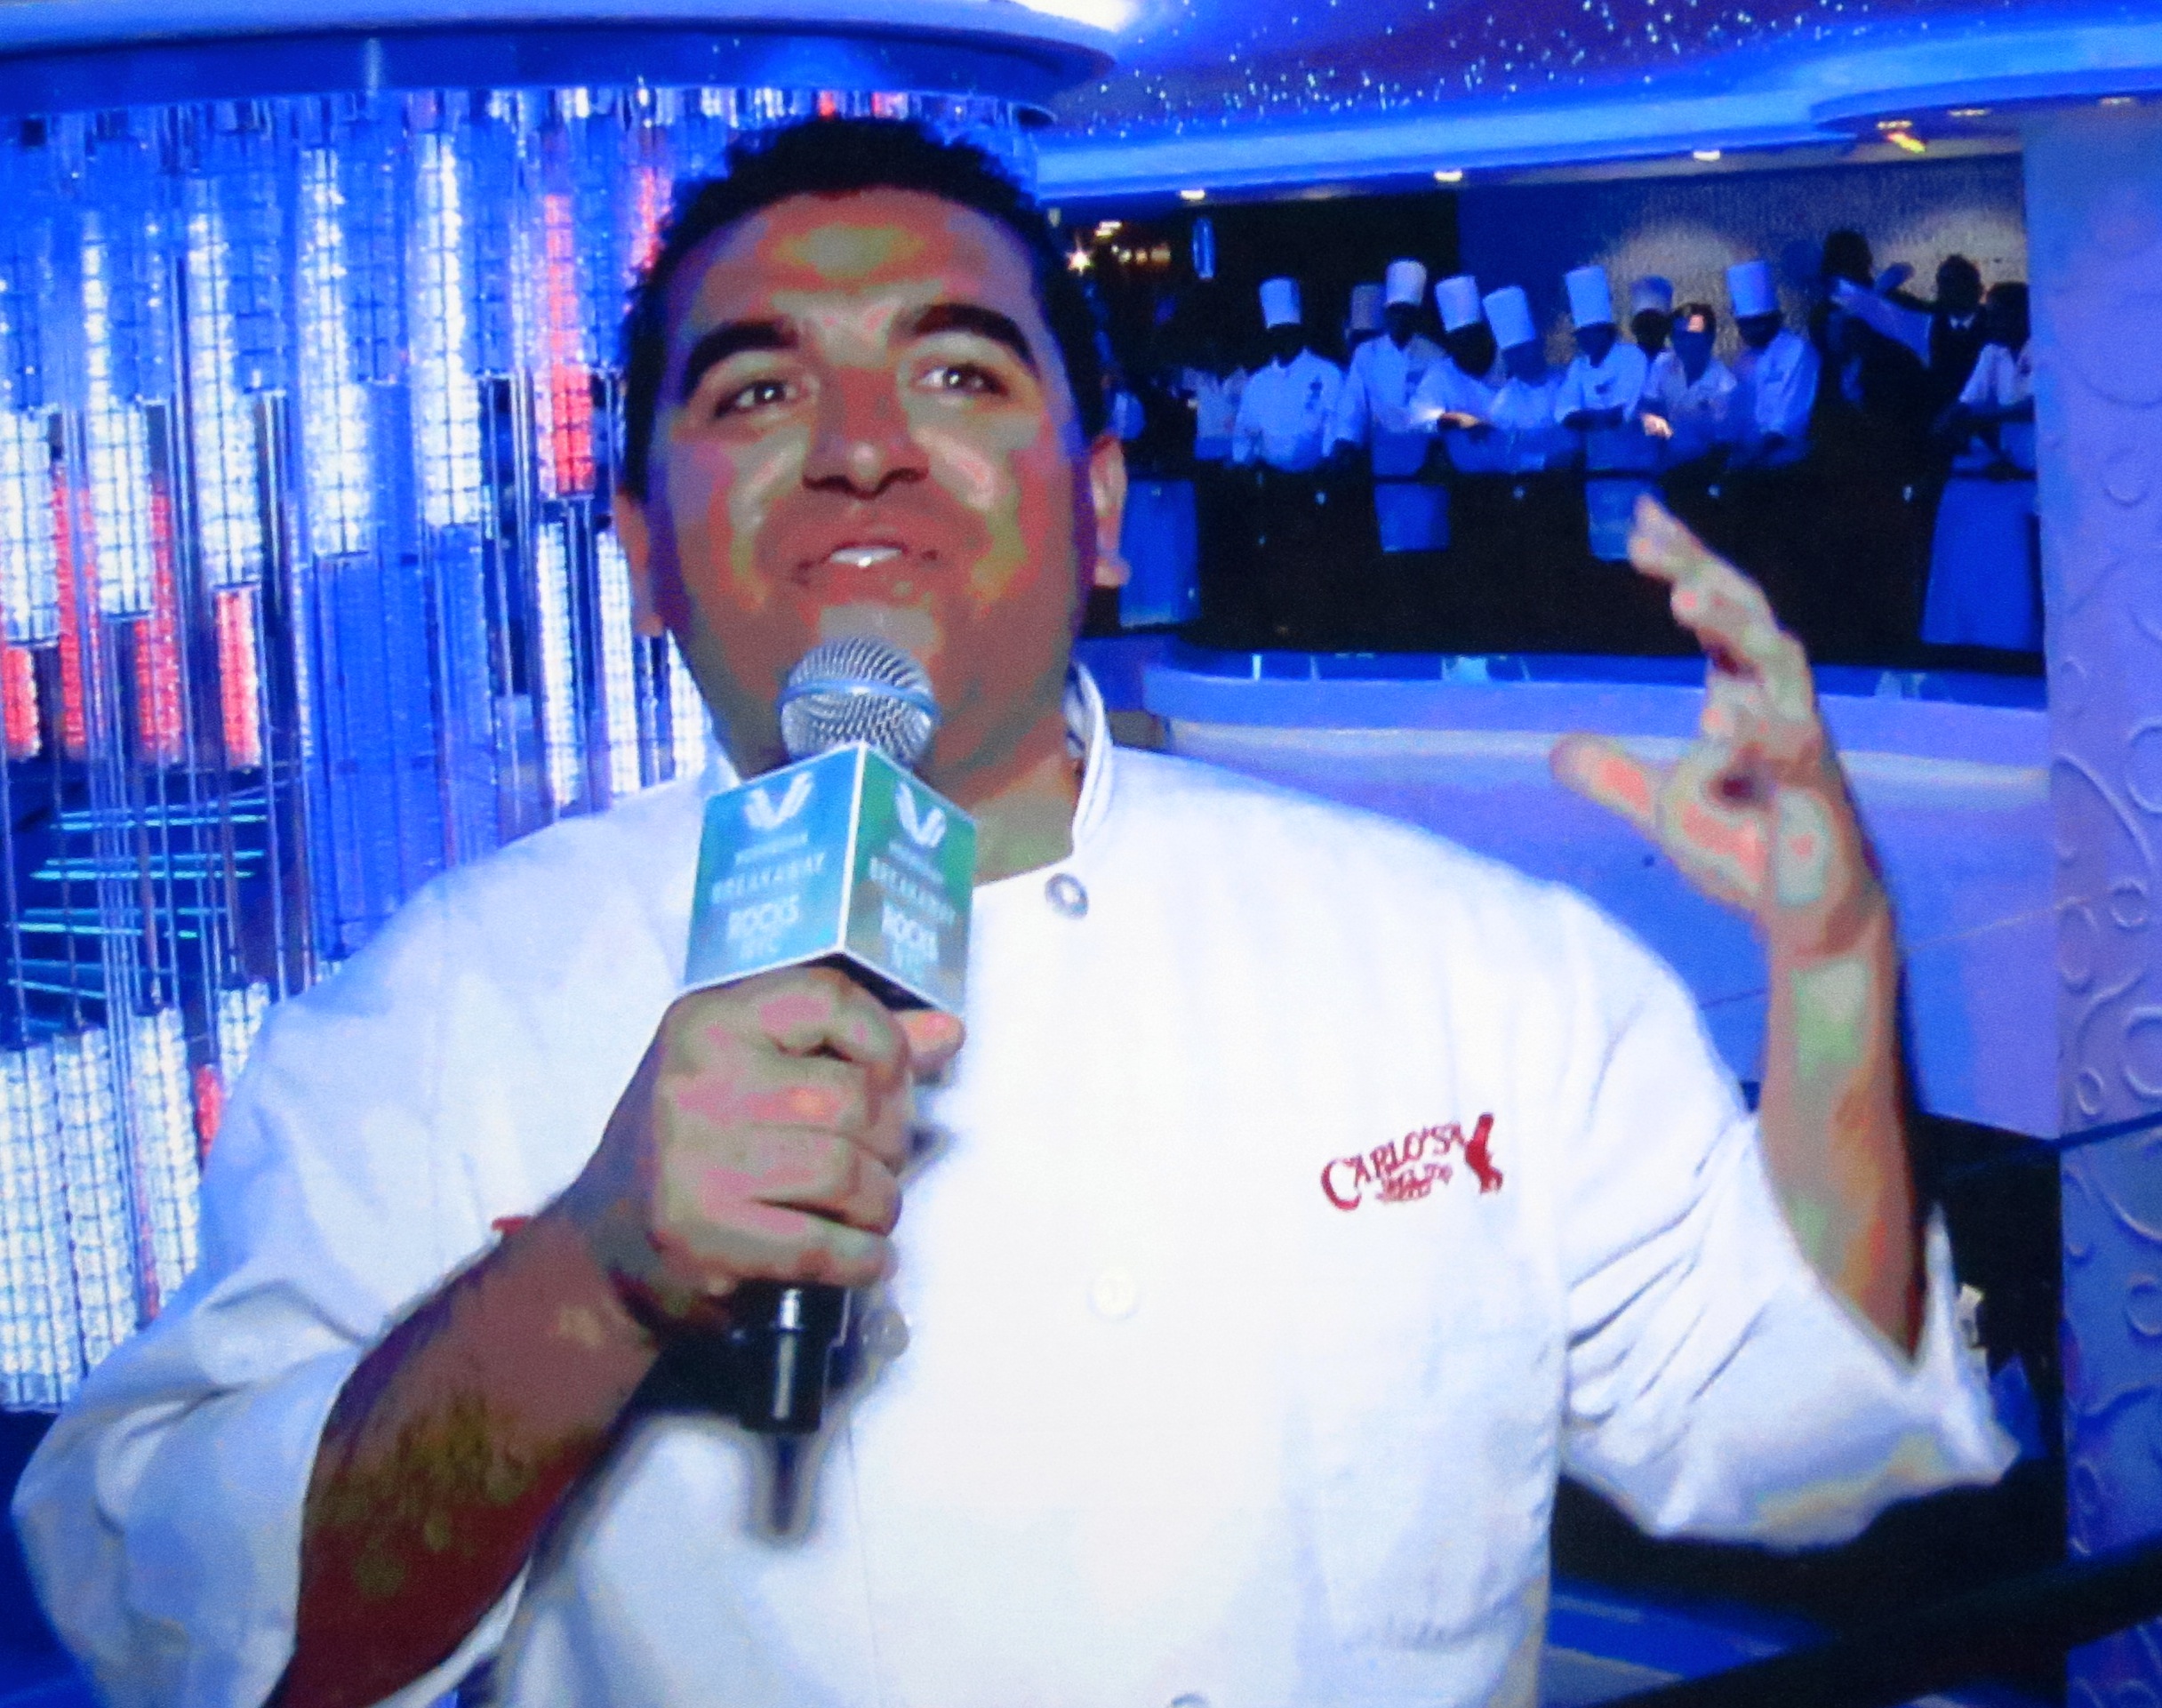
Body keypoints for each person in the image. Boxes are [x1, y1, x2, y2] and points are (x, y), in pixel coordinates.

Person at [18, 116, 2009, 1708]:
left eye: (957, 370)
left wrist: (1839, 976)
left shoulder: (1470, 963)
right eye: (755, 390)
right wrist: (590, 1281)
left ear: (1102, 503)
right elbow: (189, 1629)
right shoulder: (438, 1013)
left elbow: (1813, 1434)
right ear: (638, 551)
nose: (859, 445)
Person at [1922, 282, 2040, 651]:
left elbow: (2036, 407)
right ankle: (1966, 633)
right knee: (1960, 513)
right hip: (2005, 469)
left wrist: (1984, 418)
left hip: (2041, 477)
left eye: (2000, 315)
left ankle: (2022, 637)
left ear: (2023, 315)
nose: (1992, 323)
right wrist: (1944, 423)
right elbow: (1968, 401)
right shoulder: (1992, 353)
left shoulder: (2048, 348)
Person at [1233, 276, 1347, 640]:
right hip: (1272, 487)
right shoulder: (1258, 382)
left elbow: (1335, 426)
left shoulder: (1327, 374)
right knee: (1276, 557)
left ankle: (1319, 623)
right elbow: (1245, 435)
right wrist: (1244, 462)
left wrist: (1328, 460)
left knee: (1314, 556)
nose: (1282, 339)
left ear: (1299, 331)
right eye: (1276, 333)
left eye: (1288, 332)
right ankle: (1280, 622)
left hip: (1316, 483)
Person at [1329, 258, 1446, 555]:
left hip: (1425, 465)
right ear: (1386, 313)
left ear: (1417, 315)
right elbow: (1353, 406)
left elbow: (1445, 412)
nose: (1401, 318)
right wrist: (1345, 443)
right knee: (1391, 544)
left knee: (1430, 543)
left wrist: (1438, 452)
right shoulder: (1366, 354)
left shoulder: (1435, 356)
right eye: (1395, 311)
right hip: (1385, 464)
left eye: (1407, 312)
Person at [1556, 264, 1656, 563]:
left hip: (1634, 474)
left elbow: (1621, 414)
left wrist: (1588, 418)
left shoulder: (1632, 357)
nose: (1586, 339)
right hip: (1598, 480)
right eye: (1581, 333)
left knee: (1642, 557)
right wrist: (1597, 418)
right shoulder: (1578, 367)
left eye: (1592, 331)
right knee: (1605, 560)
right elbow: (1563, 413)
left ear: (1607, 330)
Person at [1628, 275, 1674, 359]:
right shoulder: (1623, 363)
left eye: (1656, 325)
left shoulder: (1676, 364)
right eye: (1644, 325)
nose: (1649, 333)